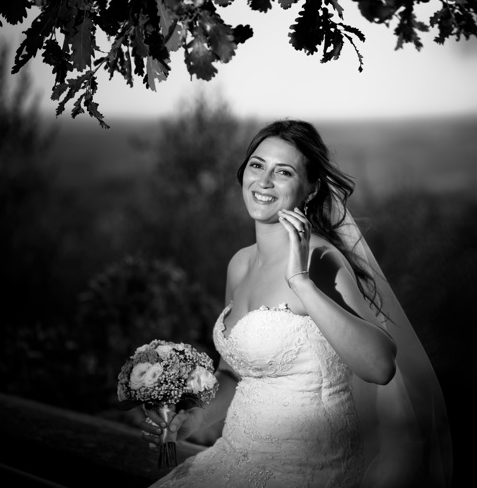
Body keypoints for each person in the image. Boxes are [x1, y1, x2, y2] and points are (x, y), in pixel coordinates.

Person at [140, 120, 452, 487]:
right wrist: (192, 419)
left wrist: (300, 283)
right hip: (232, 458)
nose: (264, 181)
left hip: (307, 473)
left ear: (310, 189)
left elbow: (381, 366)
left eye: (283, 172)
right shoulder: (240, 264)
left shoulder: (323, 261)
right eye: (257, 165)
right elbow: (233, 372)